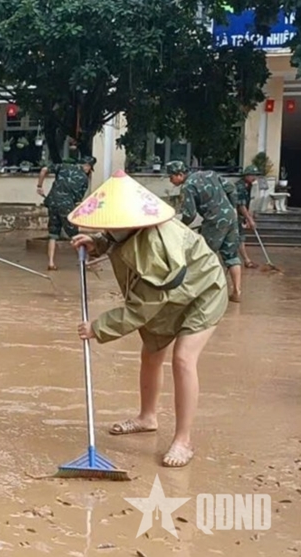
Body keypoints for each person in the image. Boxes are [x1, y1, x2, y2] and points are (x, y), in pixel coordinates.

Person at [69, 170, 228, 468]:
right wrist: (97, 242)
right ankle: (147, 417)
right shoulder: (129, 226)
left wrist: (98, 328)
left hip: (202, 292)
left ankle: (183, 440)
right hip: (166, 296)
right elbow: (119, 237)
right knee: (151, 354)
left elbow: (142, 308)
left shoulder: (155, 249)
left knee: (182, 359)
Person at [166, 160, 242, 303]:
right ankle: (237, 291)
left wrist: (179, 226)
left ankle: (204, 293)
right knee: (232, 256)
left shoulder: (188, 186)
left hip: (214, 222)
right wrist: (233, 208)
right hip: (231, 218)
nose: (171, 181)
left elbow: (190, 214)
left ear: (180, 174)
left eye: (171, 177)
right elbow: (231, 187)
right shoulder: (210, 173)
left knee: (203, 256)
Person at [36, 156, 96, 270]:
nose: (88, 171)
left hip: (52, 203)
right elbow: (78, 200)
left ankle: (51, 262)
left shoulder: (63, 166)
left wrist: (39, 186)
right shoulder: (83, 179)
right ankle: (86, 262)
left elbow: (44, 169)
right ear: (87, 166)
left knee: (53, 233)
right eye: (89, 169)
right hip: (66, 206)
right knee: (76, 236)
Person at [235, 165, 259, 268]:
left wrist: (248, 218)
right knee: (239, 238)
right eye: (253, 175)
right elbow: (241, 205)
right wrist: (250, 219)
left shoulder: (247, 186)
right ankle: (245, 260)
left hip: (238, 216)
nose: (255, 178)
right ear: (247, 175)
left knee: (241, 238)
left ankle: (246, 260)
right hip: (232, 215)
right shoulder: (240, 187)